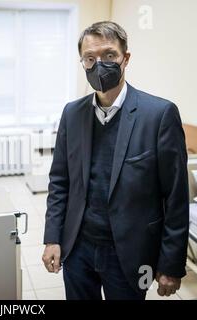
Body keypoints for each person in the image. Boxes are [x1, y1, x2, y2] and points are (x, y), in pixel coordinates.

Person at [42, 21, 189, 300]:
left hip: (130, 254)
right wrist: (52, 237)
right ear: (82, 63)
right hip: (77, 249)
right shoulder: (72, 114)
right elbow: (59, 182)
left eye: (109, 55)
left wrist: (171, 264)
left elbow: (176, 196)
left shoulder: (159, 115)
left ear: (126, 58)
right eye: (90, 58)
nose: (99, 64)